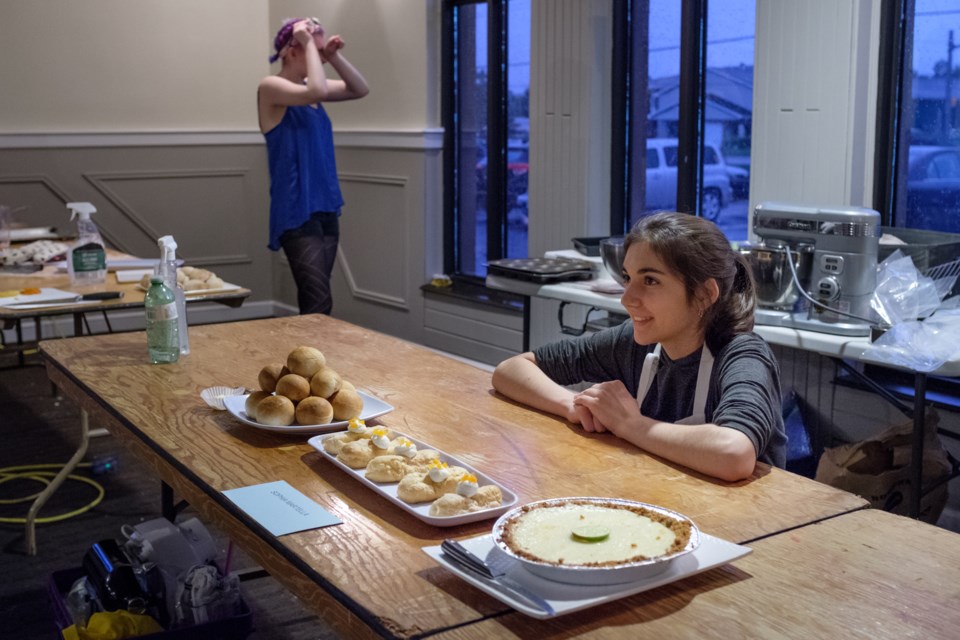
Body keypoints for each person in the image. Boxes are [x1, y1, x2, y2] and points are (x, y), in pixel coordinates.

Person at [492, 212, 786, 482]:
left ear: (705, 294)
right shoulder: (633, 343)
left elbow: (734, 454)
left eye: (650, 280)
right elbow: (511, 370)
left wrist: (630, 425)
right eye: (627, 278)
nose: (627, 298)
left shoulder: (743, 355)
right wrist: (572, 405)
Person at [258, 17, 369, 315]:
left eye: (320, 54)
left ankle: (312, 361)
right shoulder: (271, 87)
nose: (319, 59)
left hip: (325, 205)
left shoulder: (311, 89)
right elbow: (317, 90)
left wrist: (334, 56)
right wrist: (308, 42)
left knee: (319, 303)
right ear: (290, 51)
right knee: (317, 301)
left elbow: (360, 89)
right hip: (296, 209)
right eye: (314, 53)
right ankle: (306, 361)